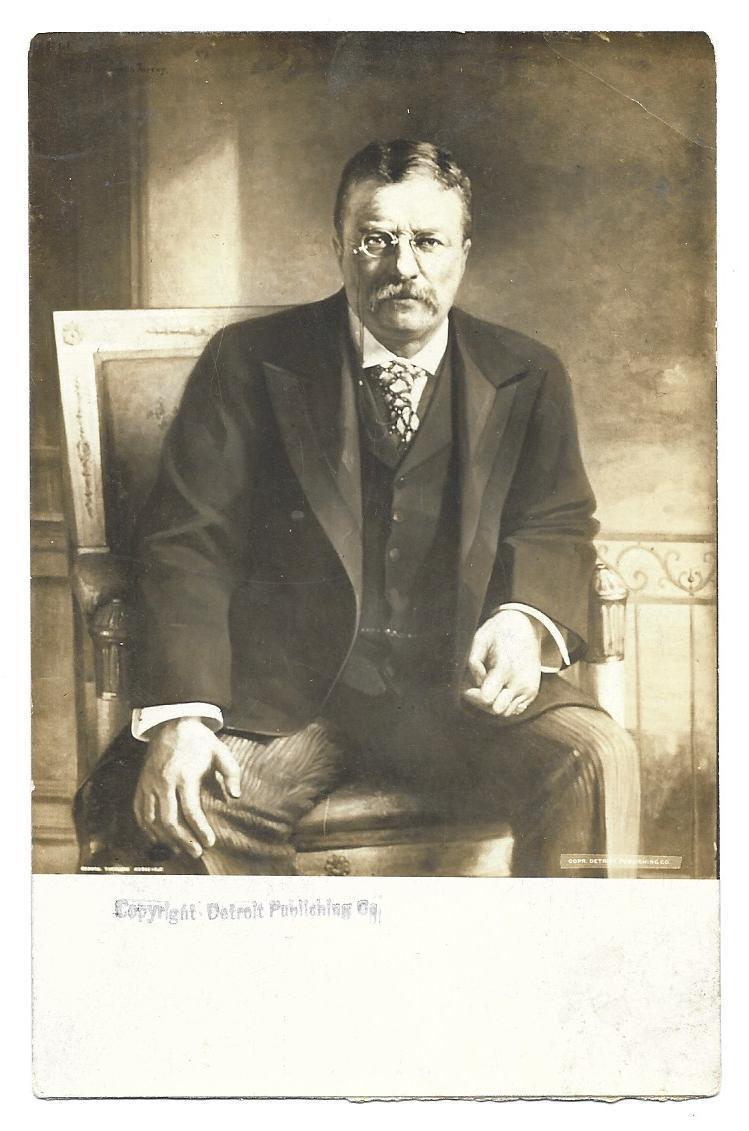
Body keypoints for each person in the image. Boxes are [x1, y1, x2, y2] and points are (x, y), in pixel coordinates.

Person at [81, 139, 639, 877]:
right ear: (339, 246)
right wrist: (183, 715)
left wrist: (523, 618)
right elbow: (189, 542)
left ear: (463, 252)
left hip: (460, 693)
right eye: (377, 239)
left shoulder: (527, 372)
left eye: (428, 241)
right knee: (198, 809)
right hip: (289, 698)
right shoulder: (248, 361)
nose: (403, 265)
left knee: (596, 757)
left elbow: (555, 518)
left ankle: (568, 953)